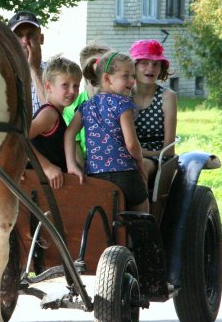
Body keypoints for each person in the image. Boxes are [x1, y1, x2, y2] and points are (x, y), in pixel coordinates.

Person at [64, 51, 148, 213]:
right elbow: (131, 144)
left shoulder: (87, 105)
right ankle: (143, 237)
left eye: (133, 76)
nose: (132, 81)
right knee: (141, 211)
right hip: (125, 174)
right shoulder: (123, 104)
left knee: (103, 219)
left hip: (95, 176)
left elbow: (69, 133)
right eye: (126, 76)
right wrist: (139, 162)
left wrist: (71, 164)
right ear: (107, 78)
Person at [28, 56, 82, 189]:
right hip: (39, 184)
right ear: (48, 86)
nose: (72, 91)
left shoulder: (55, 113)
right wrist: (46, 166)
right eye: (65, 85)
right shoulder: (49, 115)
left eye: (76, 86)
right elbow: (18, 139)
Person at [129, 39, 178, 182]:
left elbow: (168, 150)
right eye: (144, 63)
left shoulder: (167, 96)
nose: (150, 68)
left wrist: (142, 153)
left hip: (157, 159)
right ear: (134, 67)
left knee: (140, 167)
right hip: (126, 155)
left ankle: (143, 205)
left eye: (156, 64)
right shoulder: (124, 96)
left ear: (161, 68)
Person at [62, 43, 112, 164]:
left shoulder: (117, 101)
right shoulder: (72, 106)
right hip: (87, 166)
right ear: (86, 73)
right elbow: (74, 143)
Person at [8, 10, 46, 114]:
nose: (25, 41)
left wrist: (34, 69)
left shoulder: (54, 71)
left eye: (31, 34)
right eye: (19, 35)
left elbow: (52, 111)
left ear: (41, 38)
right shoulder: (2, 72)